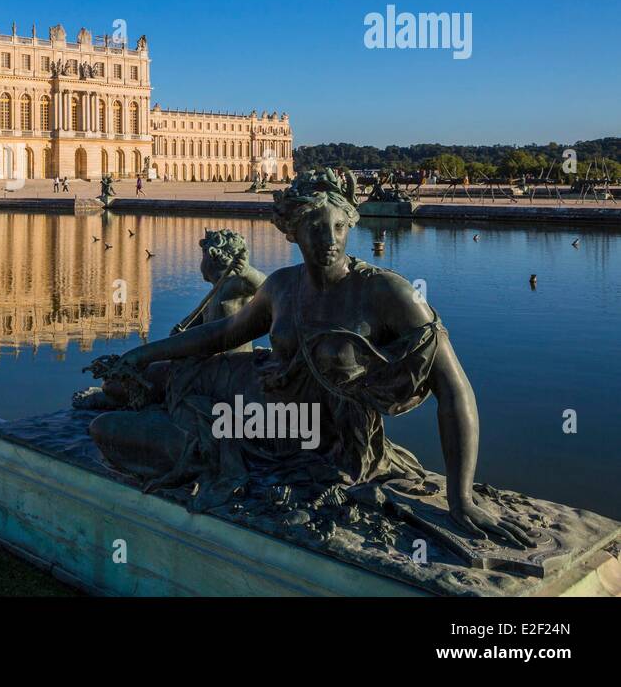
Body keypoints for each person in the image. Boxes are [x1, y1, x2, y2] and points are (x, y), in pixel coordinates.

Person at [84, 168, 533, 547]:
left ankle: (134, 405)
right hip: (254, 401)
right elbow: (220, 335)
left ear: (350, 223)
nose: (329, 240)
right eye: (315, 228)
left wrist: (461, 498)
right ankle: (124, 389)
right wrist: (140, 355)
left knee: (108, 431)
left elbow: (455, 393)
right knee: (149, 380)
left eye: (338, 227)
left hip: (300, 437)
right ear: (292, 230)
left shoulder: (387, 292)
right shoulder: (281, 286)